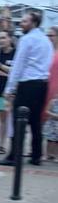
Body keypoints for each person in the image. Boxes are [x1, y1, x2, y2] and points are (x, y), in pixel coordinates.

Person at [0, 12, 53, 166]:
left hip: (27, 84)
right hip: (41, 84)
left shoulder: (26, 39)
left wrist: (10, 88)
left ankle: (14, 155)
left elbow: (18, 65)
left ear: (33, 23)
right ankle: (36, 155)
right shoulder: (46, 40)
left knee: (18, 120)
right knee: (35, 121)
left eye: (24, 21)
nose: (21, 23)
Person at [42, 26, 58, 160]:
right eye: (48, 35)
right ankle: (44, 152)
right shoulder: (47, 51)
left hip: (55, 91)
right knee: (45, 121)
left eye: (51, 35)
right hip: (45, 88)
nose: (49, 38)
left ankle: (53, 153)